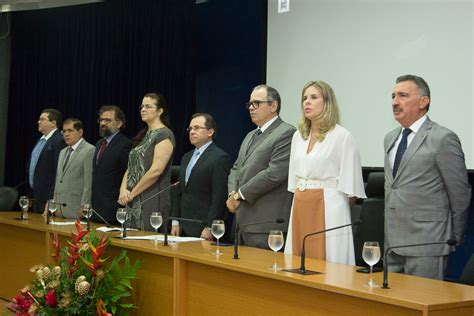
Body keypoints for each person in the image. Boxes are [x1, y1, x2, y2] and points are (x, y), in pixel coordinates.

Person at [384, 74, 471, 280]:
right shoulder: (390, 138)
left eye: (403, 95)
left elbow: (459, 192)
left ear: (424, 101)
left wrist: (453, 237)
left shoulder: (442, 138)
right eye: (393, 96)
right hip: (392, 242)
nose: (395, 102)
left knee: (423, 307)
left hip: (428, 242)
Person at [284, 81, 366, 265]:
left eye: (313, 97)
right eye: (304, 98)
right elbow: (293, 178)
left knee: (328, 262)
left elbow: (351, 192)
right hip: (300, 204)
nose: (307, 102)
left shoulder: (342, 136)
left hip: (329, 207)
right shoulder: (298, 136)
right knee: (297, 260)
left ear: (327, 102)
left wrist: (335, 209)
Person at [227, 84, 295, 249]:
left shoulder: (287, 133)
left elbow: (274, 173)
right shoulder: (251, 135)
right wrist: (231, 193)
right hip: (242, 222)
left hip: (266, 224)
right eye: (250, 104)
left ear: (273, 106)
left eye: (257, 103)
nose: (251, 108)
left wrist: (239, 195)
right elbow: (236, 167)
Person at [118, 93, 175, 231]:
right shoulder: (143, 135)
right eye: (142, 106)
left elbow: (156, 171)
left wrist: (132, 194)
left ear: (160, 111)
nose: (143, 109)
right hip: (132, 199)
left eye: (148, 106)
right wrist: (123, 191)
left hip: (151, 199)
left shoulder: (164, 134)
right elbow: (131, 167)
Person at [171, 113, 231, 239]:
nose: (192, 132)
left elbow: (219, 196)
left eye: (197, 128)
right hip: (182, 227)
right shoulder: (186, 157)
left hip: (203, 227)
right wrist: (175, 221)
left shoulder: (219, 158)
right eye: (190, 129)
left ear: (210, 132)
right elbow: (180, 191)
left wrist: (210, 226)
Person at [91, 105, 131, 225]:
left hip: (113, 209)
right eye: (101, 120)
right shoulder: (99, 143)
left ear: (119, 124)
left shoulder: (125, 145)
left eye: (107, 120)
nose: (103, 123)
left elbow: (128, 173)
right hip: (96, 208)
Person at [53, 118, 95, 219]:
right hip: (59, 208)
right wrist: (53, 203)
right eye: (64, 131)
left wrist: (85, 206)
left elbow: (88, 182)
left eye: (70, 131)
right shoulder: (62, 152)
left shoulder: (89, 150)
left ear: (80, 132)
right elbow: (59, 180)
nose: (66, 134)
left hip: (76, 208)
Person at [27, 109, 66, 213]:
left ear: (53, 123)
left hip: (47, 197)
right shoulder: (41, 140)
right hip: (35, 195)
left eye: (42, 119)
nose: (38, 122)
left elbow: (58, 171)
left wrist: (51, 199)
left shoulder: (59, 140)